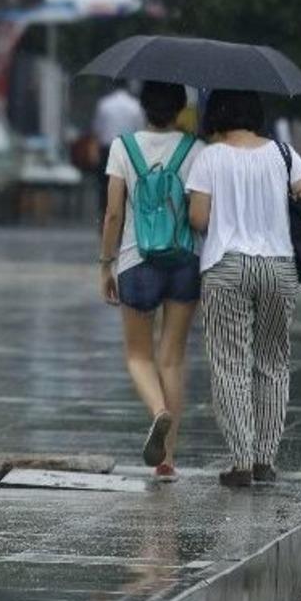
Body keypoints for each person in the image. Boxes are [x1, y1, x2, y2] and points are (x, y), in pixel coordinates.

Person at [185, 89, 301, 487]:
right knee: (273, 363)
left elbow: (198, 218)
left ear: (216, 115)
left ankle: (242, 461)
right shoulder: (282, 153)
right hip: (279, 267)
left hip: (226, 267)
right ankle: (265, 458)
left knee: (230, 364)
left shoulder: (208, 156)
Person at [99, 81, 204, 481]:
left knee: (138, 357)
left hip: (136, 261)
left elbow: (113, 214)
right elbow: (200, 213)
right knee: (172, 358)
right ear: (179, 109)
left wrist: (105, 265)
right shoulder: (196, 150)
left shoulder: (123, 147)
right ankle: (168, 460)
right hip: (184, 260)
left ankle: (157, 411)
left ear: (143, 107)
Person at [92, 84, 145, 219]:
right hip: (128, 149)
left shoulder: (104, 104)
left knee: (105, 186)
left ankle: (105, 216)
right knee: (127, 186)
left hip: (107, 149)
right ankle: (124, 218)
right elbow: (139, 130)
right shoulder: (135, 105)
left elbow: (97, 130)